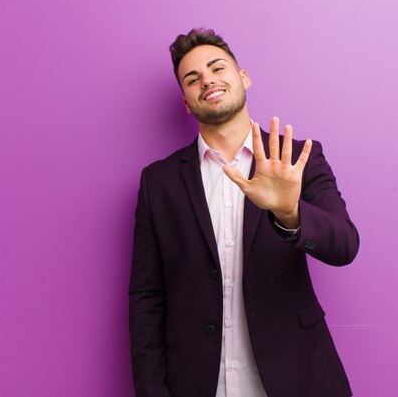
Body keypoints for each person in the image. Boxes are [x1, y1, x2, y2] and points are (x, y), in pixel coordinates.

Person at [129, 28, 360, 397]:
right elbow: (146, 297)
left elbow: (345, 245)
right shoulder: (158, 182)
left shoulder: (298, 158)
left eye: (217, 67)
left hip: (296, 377)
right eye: (193, 78)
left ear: (243, 77)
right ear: (187, 103)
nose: (207, 80)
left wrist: (290, 214)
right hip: (198, 382)